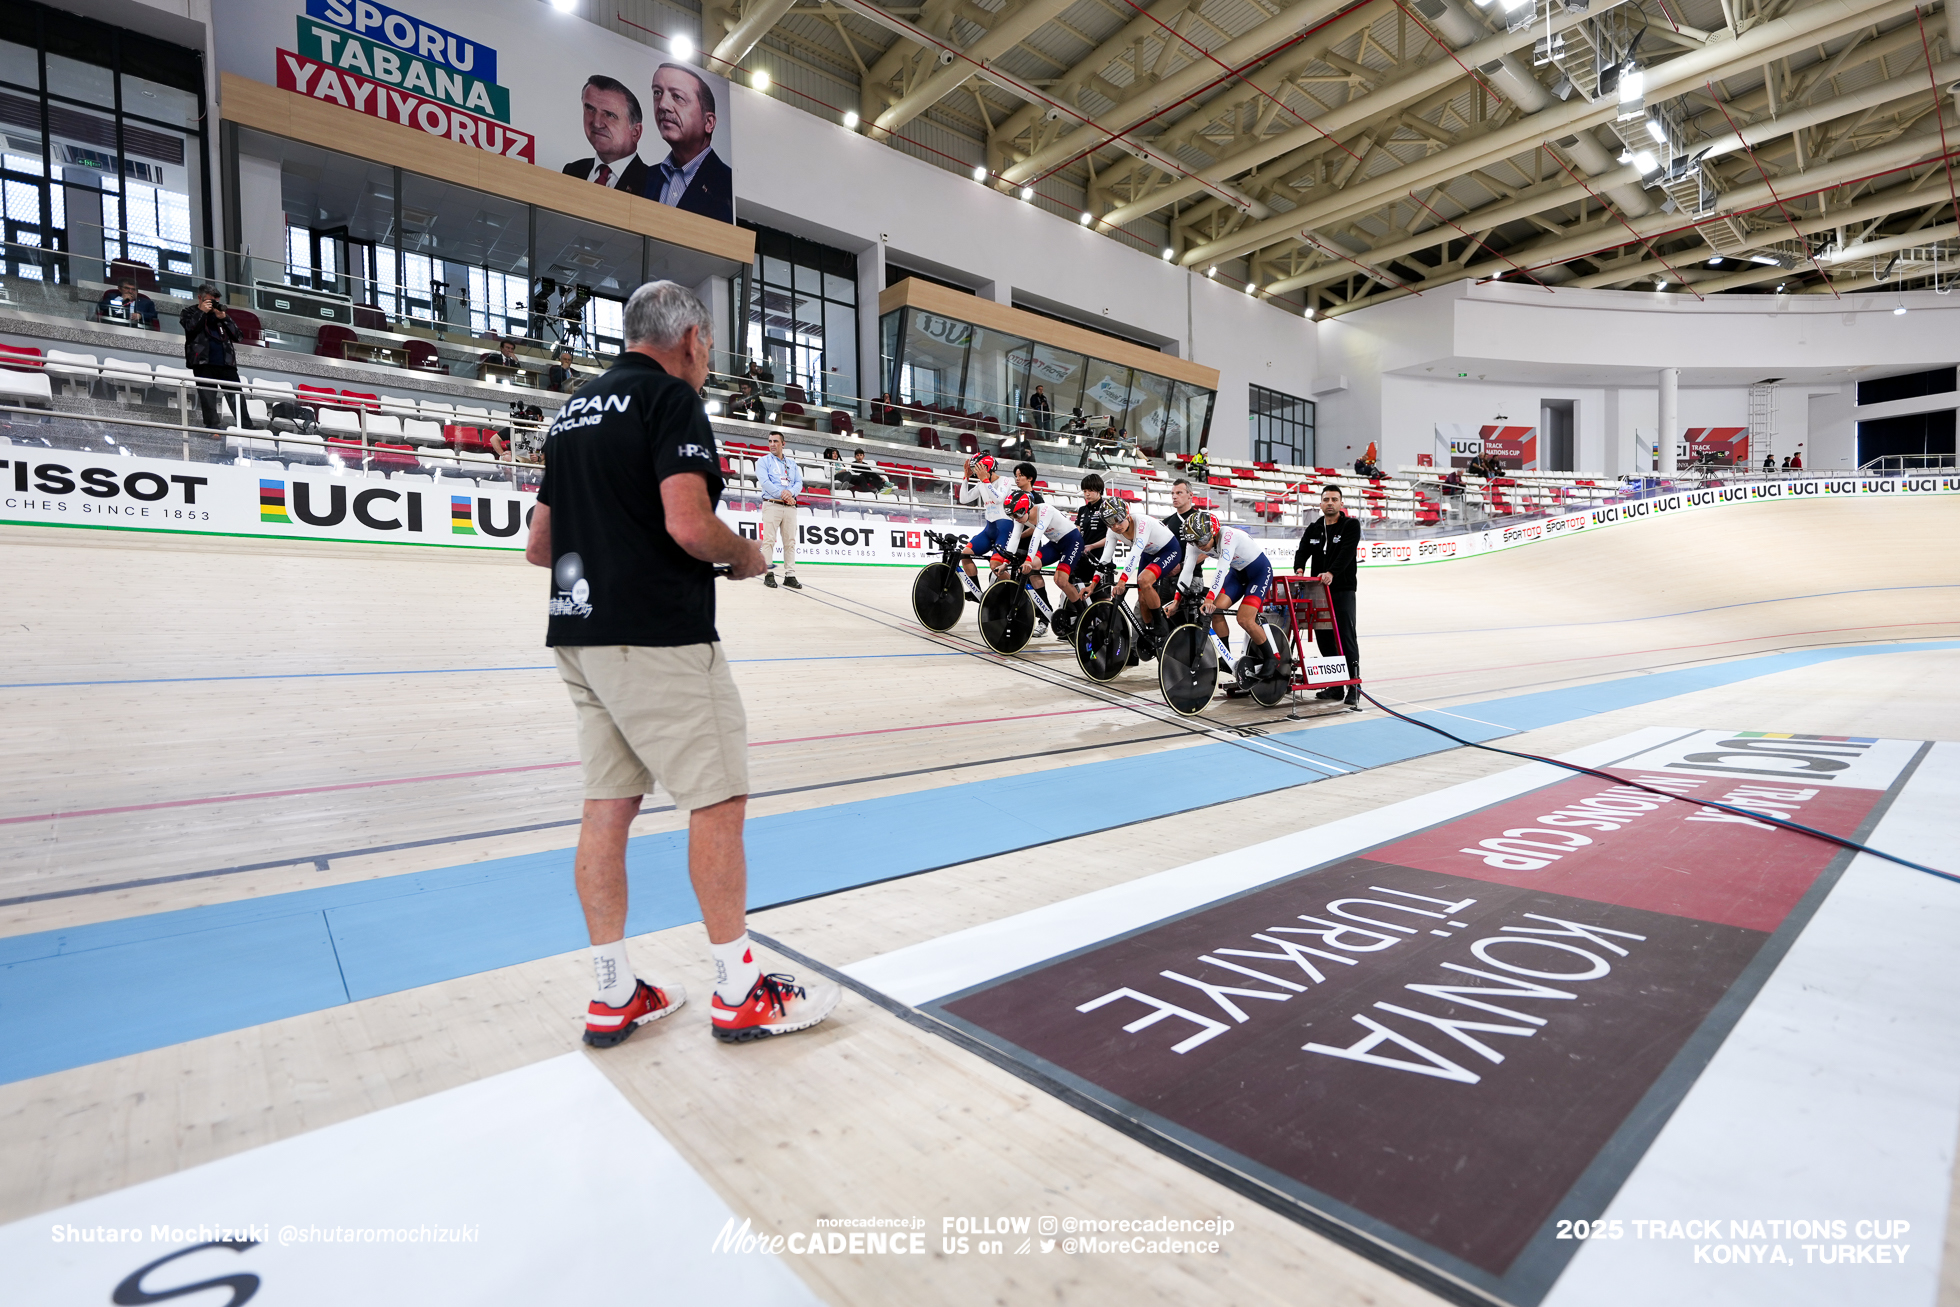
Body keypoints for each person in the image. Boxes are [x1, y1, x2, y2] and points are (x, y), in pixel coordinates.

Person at [522, 279, 836, 1047]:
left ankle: (612, 991)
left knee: (607, 806)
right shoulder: (671, 402)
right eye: (707, 348)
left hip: (578, 632)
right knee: (717, 799)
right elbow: (690, 525)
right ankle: (738, 989)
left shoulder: (572, 413)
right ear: (691, 338)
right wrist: (744, 553)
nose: (706, 361)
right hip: (657, 635)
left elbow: (538, 545)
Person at [1177, 511, 1279, 680]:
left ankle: (1271, 658)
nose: (1199, 545)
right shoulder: (1196, 543)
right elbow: (1186, 570)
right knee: (1215, 612)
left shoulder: (1228, 536)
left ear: (1214, 531)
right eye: (1194, 541)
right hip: (1238, 574)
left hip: (1259, 573)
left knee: (1244, 619)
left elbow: (1221, 570)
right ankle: (1226, 658)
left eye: (1202, 540)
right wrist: (1176, 600)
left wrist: (1209, 597)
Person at [1294, 484, 1363, 710]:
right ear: (1321, 504)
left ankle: (1354, 686)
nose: (1330, 503)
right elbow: (1302, 550)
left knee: (1345, 636)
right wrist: (1299, 570)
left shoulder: (1351, 525)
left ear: (1341, 503)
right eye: (1326, 499)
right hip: (1318, 591)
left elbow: (1346, 553)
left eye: (1334, 499)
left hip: (1342, 590)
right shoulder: (1314, 527)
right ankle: (1335, 686)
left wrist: (1332, 573)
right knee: (1324, 638)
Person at [645, 63, 733, 223]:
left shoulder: (728, 186)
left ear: (709, 122)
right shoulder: (645, 177)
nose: (662, 105)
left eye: (677, 97)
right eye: (657, 92)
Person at [1000, 489, 1092, 637]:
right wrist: (1005, 562)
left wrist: (1028, 560)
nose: (1015, 518)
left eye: (1017, 515)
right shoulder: (1021, 516)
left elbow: (1036, 536)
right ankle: (1046, 611)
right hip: (1055, 543)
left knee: (1060, 581)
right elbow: (1015, 538)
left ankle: (1083, 613)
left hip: (1071, 541)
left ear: (1027, 508)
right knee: (1032, 569)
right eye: (1011, 515)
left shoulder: (1045, 510)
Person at [1098, 494, 1181, 650]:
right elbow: (1105, 558)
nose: (1116, 526)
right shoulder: (1113, 531)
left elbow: (1135, 554)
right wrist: (1094, 582)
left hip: (1168, 549)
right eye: (1110, 523)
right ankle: (1150, 632)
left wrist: (1122, 581)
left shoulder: (1141, 523)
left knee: (1143, 580)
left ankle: (1160, 626)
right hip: (1149, 553)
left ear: (1127, 514)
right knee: (1142, 599)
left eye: (1118, 520)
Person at [562, 75, 649, 192]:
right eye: (590, 109)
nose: (597, 123)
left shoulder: (653, 184)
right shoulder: (572, 171)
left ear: (635, 132)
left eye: (610, 115)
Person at [179, 285, 242, 430]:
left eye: (216, 301)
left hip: (226, 362)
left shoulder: (221, 314)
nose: (214, 304)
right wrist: (202, 312)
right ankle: (213, 427)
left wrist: (225, 319)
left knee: (237, 396)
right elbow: (190, 327)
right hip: (203, 362)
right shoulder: (189, 312)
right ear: (200, 298)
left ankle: (246, 425)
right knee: (207, 396)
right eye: (210, 301)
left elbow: (238, 336)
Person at [756, 430, 803, 591]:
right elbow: (765, 482)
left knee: (790, 542)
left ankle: (790, 575)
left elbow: (798, 483)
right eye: (769, 441)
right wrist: (783, 495)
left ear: (783, 444)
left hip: (789, 507)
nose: (772, 444)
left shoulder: (792, 464)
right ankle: (768, 574)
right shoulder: (762, 461)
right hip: (772, 504)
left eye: (775, 441)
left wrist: (791, 494)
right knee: (768, 540)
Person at [1071, 473, 1111, 599]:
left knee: (1102, 599)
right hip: (1082, 559)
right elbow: (1076, 531)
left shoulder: (1107, 508)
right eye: (1084, 491)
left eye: (1090, 490)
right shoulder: (1082, 510)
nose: (1087, 494)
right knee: (1077, 595)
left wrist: (1092, 546)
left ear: (1099, 490)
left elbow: (1112, 537)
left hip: (1100, 558)